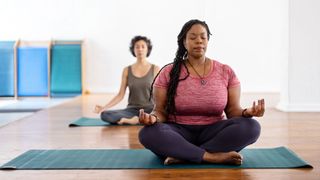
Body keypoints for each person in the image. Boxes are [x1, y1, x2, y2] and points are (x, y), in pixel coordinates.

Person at [138, 19, 265, 165]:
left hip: (214, 131)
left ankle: (184, 154)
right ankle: (211, 156)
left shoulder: (225, 71)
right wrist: (153, 119)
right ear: (184, 42)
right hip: (178, 131)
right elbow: (160, 111)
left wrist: (247, 112)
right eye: (192, 37)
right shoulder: (168, 72)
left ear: (208, 41)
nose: (199, 41)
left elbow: (232, 111)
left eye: (203, 37)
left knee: (251, 127)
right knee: (148, 133)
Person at [94, 35, 160, 125]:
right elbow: (120, 95)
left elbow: (161, 93)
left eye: (143, 47)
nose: (140, 49)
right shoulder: (126, 70)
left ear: (148, 49)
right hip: (131, 110)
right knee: (105, 115)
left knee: (161, 115)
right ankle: (136, 119)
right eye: (137, 47)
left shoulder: (155, 69)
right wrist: (104, 107)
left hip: (150, 109)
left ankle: (136, 120)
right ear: (133, 50)